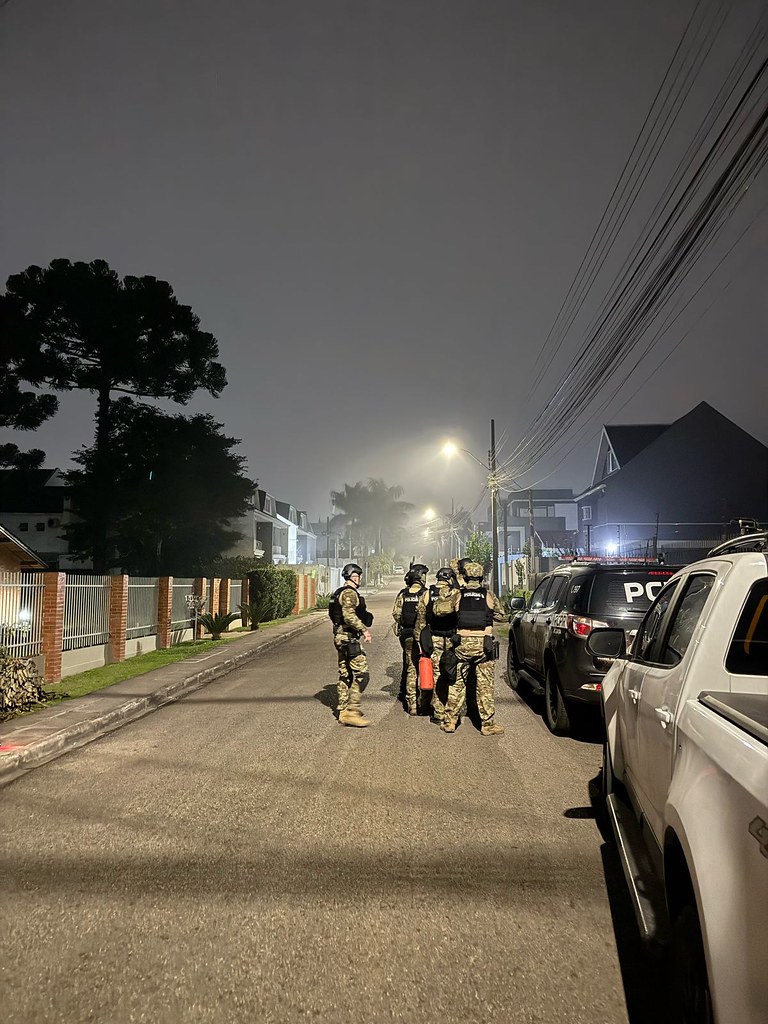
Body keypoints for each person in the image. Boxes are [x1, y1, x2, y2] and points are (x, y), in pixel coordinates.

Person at [441, 560, 506, 736]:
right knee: (485, 687)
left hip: (461, 645)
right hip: (484, 646)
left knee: (456, 684)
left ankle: (450, 722)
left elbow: (440, 610)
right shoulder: (489, 595)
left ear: (464, 576)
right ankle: (487, 725)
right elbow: (502, 616)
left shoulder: (457, 595)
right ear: (481, 577)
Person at [328, 562, 373, 727]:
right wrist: (364, 630)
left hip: (340, 636)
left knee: (345, 674)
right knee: (362, 674)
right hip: (348, 638)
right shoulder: (349, 593)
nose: (360, 579)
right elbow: (349, 616)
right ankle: (352, 711)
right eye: (358, 576)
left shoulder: (338, 592)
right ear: (353, 576)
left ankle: (343, 710)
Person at [414, 566, 460, 724]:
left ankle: (438, 712)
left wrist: (420, 642)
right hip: (453, 639)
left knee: (436, 674)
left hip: (434, 638)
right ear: (450, 579)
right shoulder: (456, 593)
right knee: (453, 673)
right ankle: (451, 711)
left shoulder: (428, 593)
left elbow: (420, 620)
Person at [391, 563, 429, 716]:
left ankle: (412, 704)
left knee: (411, 668)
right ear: (421, 577)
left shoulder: (403, 594)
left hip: (407, 636)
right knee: (427, 668)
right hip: (424, 638)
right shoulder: (426, 594)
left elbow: (396, 614)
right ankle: (425, 702)